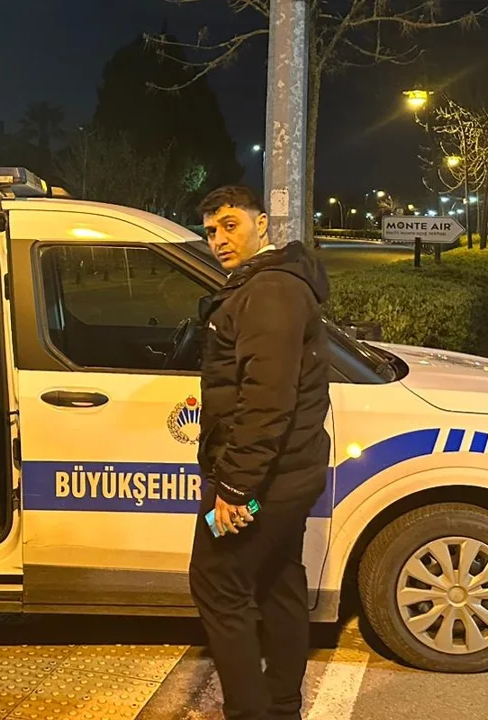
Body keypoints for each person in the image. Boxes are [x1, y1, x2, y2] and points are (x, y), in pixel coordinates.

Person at [190, 185, 332, 720]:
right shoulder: (270, 284)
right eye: (211, 231)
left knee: (216, 584)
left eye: (230, 225)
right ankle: (282, 707)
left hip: (260, 486)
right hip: (284, 477)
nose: (219, 240)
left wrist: (233, 488)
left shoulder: (269, 290)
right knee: (278, 579)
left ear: (262, 223)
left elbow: (266, 401)